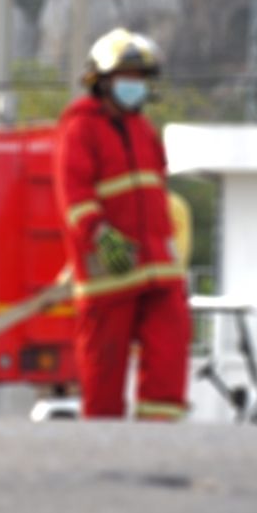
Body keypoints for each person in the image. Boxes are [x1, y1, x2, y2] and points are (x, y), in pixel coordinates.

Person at [53, 27, 191, 420]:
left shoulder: (144, 131)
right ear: (101, 82)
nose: (135, 86)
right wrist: (101, 237)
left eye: (140, 79)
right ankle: (106, 443)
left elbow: (157, 195)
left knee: (170, 350)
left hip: (158, 268)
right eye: (126, 78)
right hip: (109, 270)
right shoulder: (80, 129)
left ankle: (158, 434)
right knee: (104, 371)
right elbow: (75, 198)